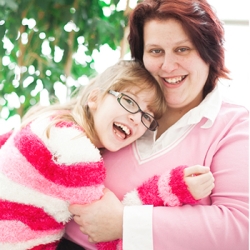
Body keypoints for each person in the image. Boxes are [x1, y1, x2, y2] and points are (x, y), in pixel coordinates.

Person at [65, 0, 249, 250]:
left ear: (209, 53)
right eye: (155, 51)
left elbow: (240, 228)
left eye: (182, 49)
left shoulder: (235, 125)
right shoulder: (119, 102)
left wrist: (125, 222)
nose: (168, 66)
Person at [0, 59, 213, 250]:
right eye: (129, 101)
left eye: (147, 116)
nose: (136, 119)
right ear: (95, 98)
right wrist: (175, 186)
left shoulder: (50, 120)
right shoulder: (74, 152)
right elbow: (106, 228)